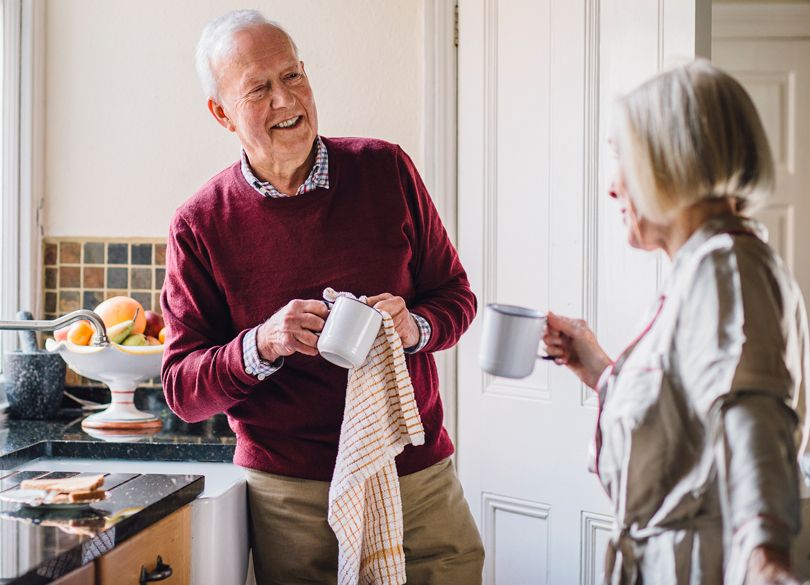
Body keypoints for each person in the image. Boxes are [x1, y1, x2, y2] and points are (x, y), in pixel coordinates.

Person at [160, 10, 484, 585]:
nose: (286, 101)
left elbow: (455, 297)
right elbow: (182, 390)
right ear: (222, 113)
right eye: (258, 89)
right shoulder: (200, 224)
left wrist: (414, 328)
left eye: (294, 76)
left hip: (416, 478)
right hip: (291, 497)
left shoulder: (386, 170)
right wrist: (261, 345)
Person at [543, 60, 808, 585]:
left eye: (624, 159)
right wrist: (599, 369)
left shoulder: (724, 268)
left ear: (672, 163)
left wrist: (766, 560)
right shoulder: (702, 268)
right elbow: (689, 419)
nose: (614, 188)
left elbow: (751, 417)